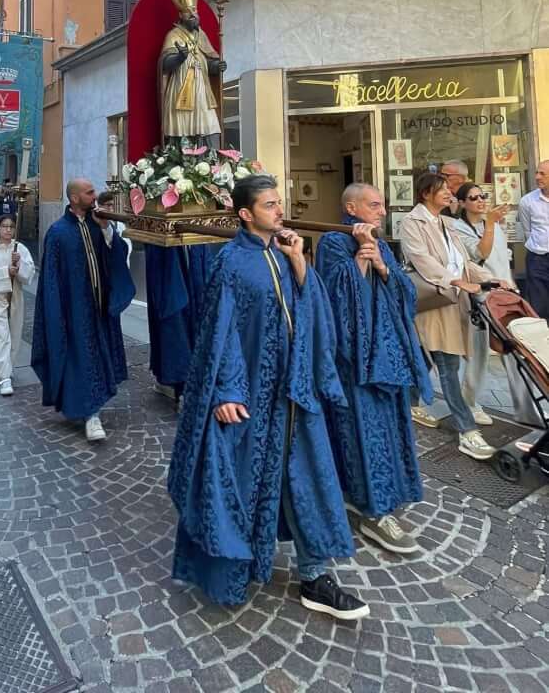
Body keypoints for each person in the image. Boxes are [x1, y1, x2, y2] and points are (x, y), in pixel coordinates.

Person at [167, 174, 369, 619]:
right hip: (253, 398)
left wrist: (299, 264)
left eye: (280, 202)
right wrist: (226, 391)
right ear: (245, 214)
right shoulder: (231, 263)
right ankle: (233, 571)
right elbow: (220, 332)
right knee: (244, 483)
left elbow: (312, 312)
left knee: (307, 479)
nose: (280, 210)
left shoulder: (283, 252)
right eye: (270, 205)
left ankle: (315, 575)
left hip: (294, 395)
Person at [315, 184, 433, 555]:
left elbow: (406, 294)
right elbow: (330, 298)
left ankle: (383, 495)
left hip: (388, 356)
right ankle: (372, 510)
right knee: (361, 432)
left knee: (389, 429)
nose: (382, 211)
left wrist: (381, 265)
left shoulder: (380, 244)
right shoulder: (333, 242)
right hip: (354, 361)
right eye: (375, 205)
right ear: (351, 207)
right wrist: (361, 261)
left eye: (382, 205)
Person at [399, 173, 500, 460]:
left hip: (454, 301)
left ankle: (410, 403)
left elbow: (463, 262)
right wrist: (455, 281)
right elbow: (422, 260)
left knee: (425, 356)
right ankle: (467, 431)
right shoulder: (412, 223)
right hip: (434, 302)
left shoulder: (446, 223)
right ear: (425, 193)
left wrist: (491, 279)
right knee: (448, 364)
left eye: (447, 189)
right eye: (441, 189)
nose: (448, 193)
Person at [32, 178, 135, 441]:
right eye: (89, 193)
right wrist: (57, 313)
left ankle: (91, 408)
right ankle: (91, 414)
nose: (94, 196)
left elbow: (115, 254)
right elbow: (51, 280)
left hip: (99, 309)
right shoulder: (58, 233)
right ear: (75, 198)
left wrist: (106, 229)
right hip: (73, 312)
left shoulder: (96, 224)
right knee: (82, 360)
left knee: (96, 358)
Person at [453, 182, 512, 424]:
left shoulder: (493, 224)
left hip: (506, 292)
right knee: (478, 353)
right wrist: (490, 224)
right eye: (473, 197)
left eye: (482, 196)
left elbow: (504, 255)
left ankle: (528, 407)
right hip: (480, 295)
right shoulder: (458, 228)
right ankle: (470, 403)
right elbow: (480, 254)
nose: (480, 200)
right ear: (462, 203)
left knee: (514, 350)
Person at [159, 0, 225, 144]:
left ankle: (210, 156)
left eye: (195, 11)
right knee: (182, 126)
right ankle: (180, 156)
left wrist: (216, 66)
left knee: (209, 125)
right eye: (189, 12)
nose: (193, 15)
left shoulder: (201, 35)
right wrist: (180, 57)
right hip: (180, 89)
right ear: (181, 15)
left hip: (202, 89)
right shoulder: (173, 35)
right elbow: (165, 64)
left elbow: (209, 59)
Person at [0, 215, 35, 395]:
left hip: (15, 296)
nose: (8, 230)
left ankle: (7, 366)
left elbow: (29, 273)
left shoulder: (20, 249)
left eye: (11, 226)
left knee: (14, 334)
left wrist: (19, 265)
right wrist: (5, 272)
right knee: (1, 335)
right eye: (4, 226)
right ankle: (4, 377)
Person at [518, 160, 549, 320]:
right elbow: (527, 230)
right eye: (537, 172)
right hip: (538, 260)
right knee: (539, 308)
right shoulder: (527, 201)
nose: (537, 177)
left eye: (542, 173)